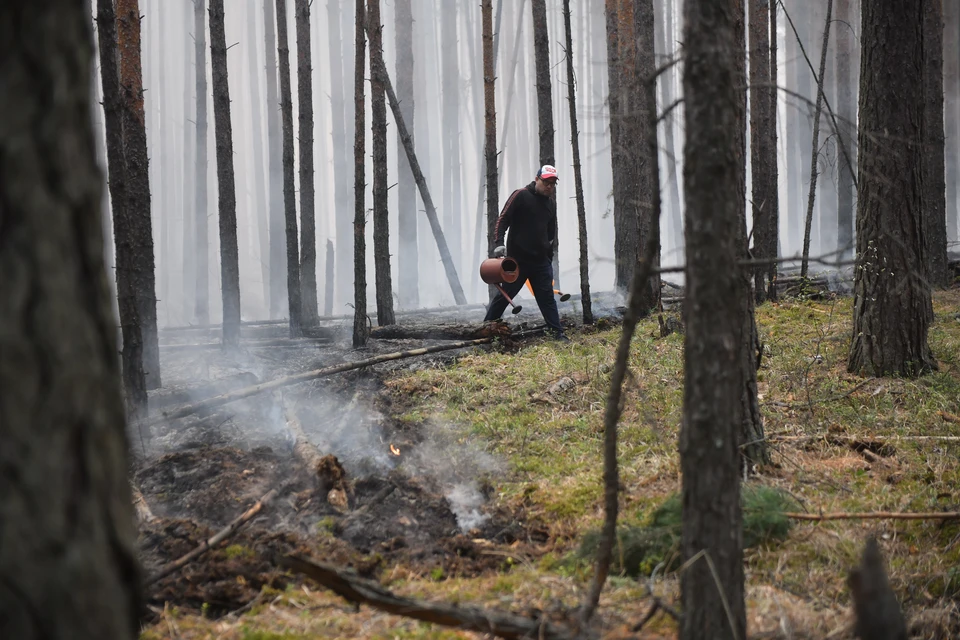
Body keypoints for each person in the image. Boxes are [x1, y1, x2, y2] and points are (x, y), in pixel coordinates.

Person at [484, 165, 569, 341]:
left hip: (540, 263)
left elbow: (551, 232)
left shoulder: (551, 204)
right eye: (546, 182)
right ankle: (484, 329)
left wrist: (548, 257)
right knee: (504, 298)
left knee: (547, 299)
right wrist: (499, 243)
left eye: (553, 183)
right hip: (517, 262)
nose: (549, 186)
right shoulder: (520, 195)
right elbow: (503, 219)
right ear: (537, 179)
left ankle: (557, 334)